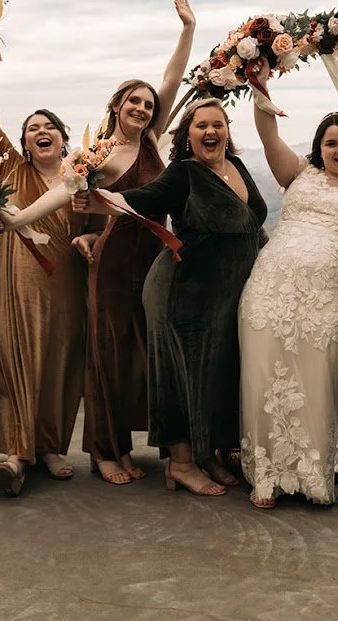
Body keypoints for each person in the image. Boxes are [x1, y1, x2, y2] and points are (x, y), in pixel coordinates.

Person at [0, 0, 197, 485]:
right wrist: (18, 220)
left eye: (149, 105)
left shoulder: (152, 139)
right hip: (112, 263)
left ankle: (145, 442)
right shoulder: (97, 154)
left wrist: (187, 30)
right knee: (107, 354)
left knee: (147, 353)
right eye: (134, 101)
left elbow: (172, 80)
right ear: (117, 105)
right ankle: (108, 452)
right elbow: (63, 195)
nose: (144, 109)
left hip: (154, 258)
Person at [78, 98, 267, 497]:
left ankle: (207, 453)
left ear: (228, 130)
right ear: (187, 135)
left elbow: (251, 225)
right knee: (180, 376)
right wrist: (86, 195)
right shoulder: (183, 174)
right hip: (181, 291)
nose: (211, 132)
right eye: (201, 126)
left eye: (218, 124)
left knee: (216, 374)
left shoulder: (239, 168)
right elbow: (135, 201)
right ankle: (181, 463)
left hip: (223, 296)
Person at [238, 62, 338, 508]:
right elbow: (267, 135)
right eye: (331, 143)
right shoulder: (298, 173)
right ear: (319, 149)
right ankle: (266, 473)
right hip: (269, 291)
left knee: (316, 380)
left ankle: (313, 470)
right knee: (264, 380)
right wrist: (261, 93)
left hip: (324, 298)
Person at [0, 54, 87, 495]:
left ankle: (50, 448)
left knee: (58, 364)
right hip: (13, 286)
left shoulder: (80, 181)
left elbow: (96, 230)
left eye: (49, 126)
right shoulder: (13, 169)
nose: (41, 131)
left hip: (66, 289)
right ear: (25, 144)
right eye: (33, 128)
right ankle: (16, 454)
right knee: (14, 362)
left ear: (64, 139)